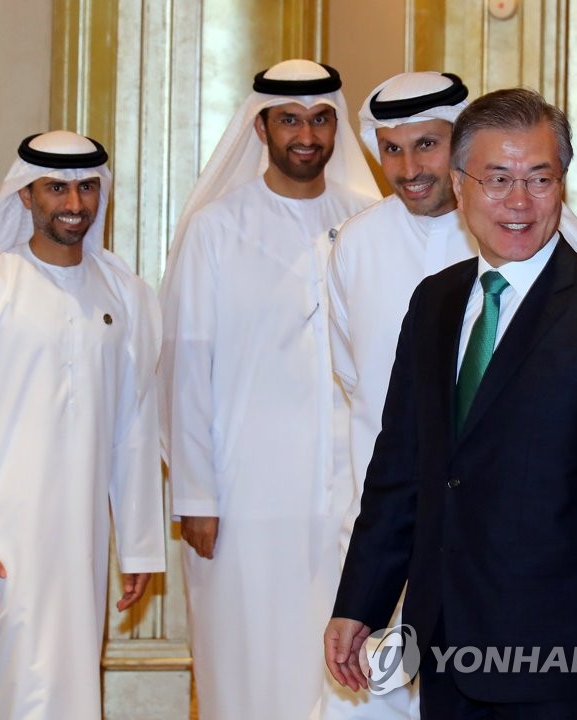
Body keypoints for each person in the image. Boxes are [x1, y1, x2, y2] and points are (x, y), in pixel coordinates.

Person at [325, 88, 577, 720]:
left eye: (540, 179)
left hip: (559, 654)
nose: (519, 202)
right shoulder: (434, 302)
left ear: (561, 185)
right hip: (444, 640)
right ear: (460, 186)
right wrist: (360, 603)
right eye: (498, 179)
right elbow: (401, 469)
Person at [158, 59, 380, 719]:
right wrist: (196, 492)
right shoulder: (216, 228)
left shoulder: (370, 221)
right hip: (243, 492)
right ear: (261, 128)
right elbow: (187, 365)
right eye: (289, 120)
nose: (306, 135)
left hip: (348, 486)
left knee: (346, 654)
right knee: (247, 656)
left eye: (320, 119)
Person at [0, 130, 166, 719]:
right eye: (56, 188)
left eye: (87, 187)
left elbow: (134, 427)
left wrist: (139, 545)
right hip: (0, 537)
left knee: (68, 679)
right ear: (26, 195)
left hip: (81, 535)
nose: (74, 203)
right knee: (1, 683)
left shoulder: (125, 295)